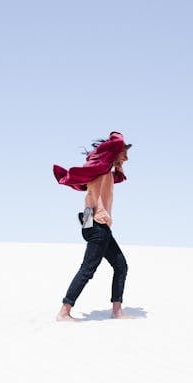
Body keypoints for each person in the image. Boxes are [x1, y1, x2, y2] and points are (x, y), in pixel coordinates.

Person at [52, 131, 134, 321]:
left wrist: (119, 164)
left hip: (97, 225)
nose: (127, 158)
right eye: (124, 153)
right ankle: (64, 312)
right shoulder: (102, 168)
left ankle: (117, 311)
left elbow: (119, 178)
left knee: (120, 266)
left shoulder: (103, 172)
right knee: (88, 269)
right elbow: (117, 142)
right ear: (114, 152)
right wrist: (117, 145)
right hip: (97, 225)